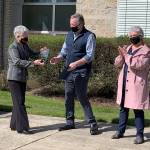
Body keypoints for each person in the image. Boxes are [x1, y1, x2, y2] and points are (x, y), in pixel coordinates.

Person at [50, 13, 99, 135]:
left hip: (81, 71)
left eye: (74, 25)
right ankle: (70, 122)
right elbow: (64, 51)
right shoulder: (69, 34)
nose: (72, 27)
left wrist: (77, 63)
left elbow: (90, 56)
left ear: (81, 24)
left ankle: (92, 123)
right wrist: (58, 58)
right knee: (68, 95)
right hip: (69, 71)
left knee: (81, 96)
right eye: (70, 25)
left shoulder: (89, 36)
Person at [112, 26, 150, 144]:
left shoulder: (146, 51)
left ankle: (140, 135)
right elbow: (118, 64)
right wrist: (121, 55)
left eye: (134, 37)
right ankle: (120, 131)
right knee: (123, 108)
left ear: (140, 36)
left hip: (136, 85)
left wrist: (126, 55)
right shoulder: (128, 48)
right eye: (131, 37)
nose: (132, 39)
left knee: (138, 110)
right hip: (124, 82)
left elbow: (137, 64)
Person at [7, 25, 44, 134]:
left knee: (18, 102)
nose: (26, 38)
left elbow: (32, 54)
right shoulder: (12, 47)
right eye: (24, 37)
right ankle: (22, 128)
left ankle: (14, 125)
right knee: (20, 103)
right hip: (14, 79)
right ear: (17, 36)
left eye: (27, 36)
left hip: (22, 78)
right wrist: (33, 63)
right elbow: (17, 61)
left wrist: (41, 52)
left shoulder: (24, 45)